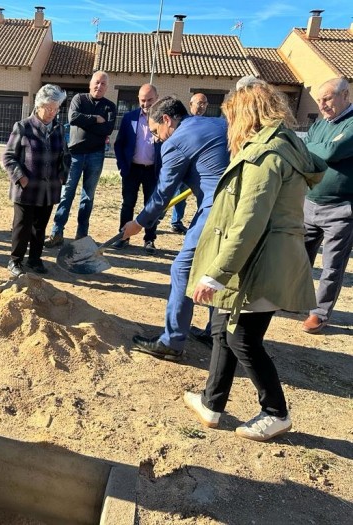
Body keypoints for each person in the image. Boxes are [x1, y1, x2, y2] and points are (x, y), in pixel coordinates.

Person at [184, 82, 324, 442]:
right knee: (221, 328)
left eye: (232, 118)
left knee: (242, 338)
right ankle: (212, 403)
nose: (230, 126)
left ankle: (276, 412)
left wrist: (216, 274)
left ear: (246, 115)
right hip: (256, 259)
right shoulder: (275, 146)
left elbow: (249, 221)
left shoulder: (267, 156)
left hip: (262, 263)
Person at [123, 96, 229, 360]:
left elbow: (162, 195)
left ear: (167, 120)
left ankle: (171, 342)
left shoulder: (175, 142)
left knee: (183, 268)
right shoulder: (216, 124)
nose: (157, 138)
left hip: (217, 210)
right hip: (240, 207)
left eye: (157, 130)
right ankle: (217, 334)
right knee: (218, 269)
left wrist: (138, 223)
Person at [301, 78, 353, 334]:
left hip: (342, 208)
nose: (322, 105)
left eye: (328, 99)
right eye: (319, 100)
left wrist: (316, 149)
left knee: (332, 265)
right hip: (310, 202)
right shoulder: (320, 124)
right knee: (299, 254)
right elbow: (303, 150)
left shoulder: (352, 123)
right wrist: (318, 148)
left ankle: (319, 314)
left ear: (345, 95)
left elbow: (332, 152)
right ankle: (296, 297)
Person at [3, 84, 70, 276]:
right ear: (38, 106)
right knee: (22, 227)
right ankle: (15, 261)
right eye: (48, 108)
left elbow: (66, 156)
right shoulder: (23, 127)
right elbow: (8, 156)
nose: (52, 112)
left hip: (48, 189)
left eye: (56, 108)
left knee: (40, 228)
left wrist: (61, 176)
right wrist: (21, 177)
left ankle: (34, 260)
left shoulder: (58, 129)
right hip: (26, 189)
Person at [45, 71, 116, 246]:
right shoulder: (79, 99)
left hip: (96, 155)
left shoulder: (110, 107)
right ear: (90, 83)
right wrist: (95, 119)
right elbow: (73, 118)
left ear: (107, 87)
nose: (99, 87)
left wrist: (88, 123)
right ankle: (57, 232)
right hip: (75, 154)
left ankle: (81, 234)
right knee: (66, 193)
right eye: (97, 82)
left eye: (103, 84)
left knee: (87, 196)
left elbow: (106, 130)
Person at [113, 84, 161, 254]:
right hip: (131, 170)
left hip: (152, 172)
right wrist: (122, 165)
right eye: (143, 100)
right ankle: (123, 237)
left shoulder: (164, 120)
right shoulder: (129, 118)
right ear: (138, 99)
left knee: (151, 206)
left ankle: (149, 240)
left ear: (157, 99)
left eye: (150, 100)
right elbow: (119, 144)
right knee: (128, 205)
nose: (146, 104)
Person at [170, 92, 211, 235]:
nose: (201, 106)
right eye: (198, 103)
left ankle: (176, 222)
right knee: (171, 193)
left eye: (204, 103)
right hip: (180, 164)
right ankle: (154, 219)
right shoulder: (183, 122)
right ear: (190, 104)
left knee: (183, 195)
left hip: (196, 167)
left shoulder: (207, 124)